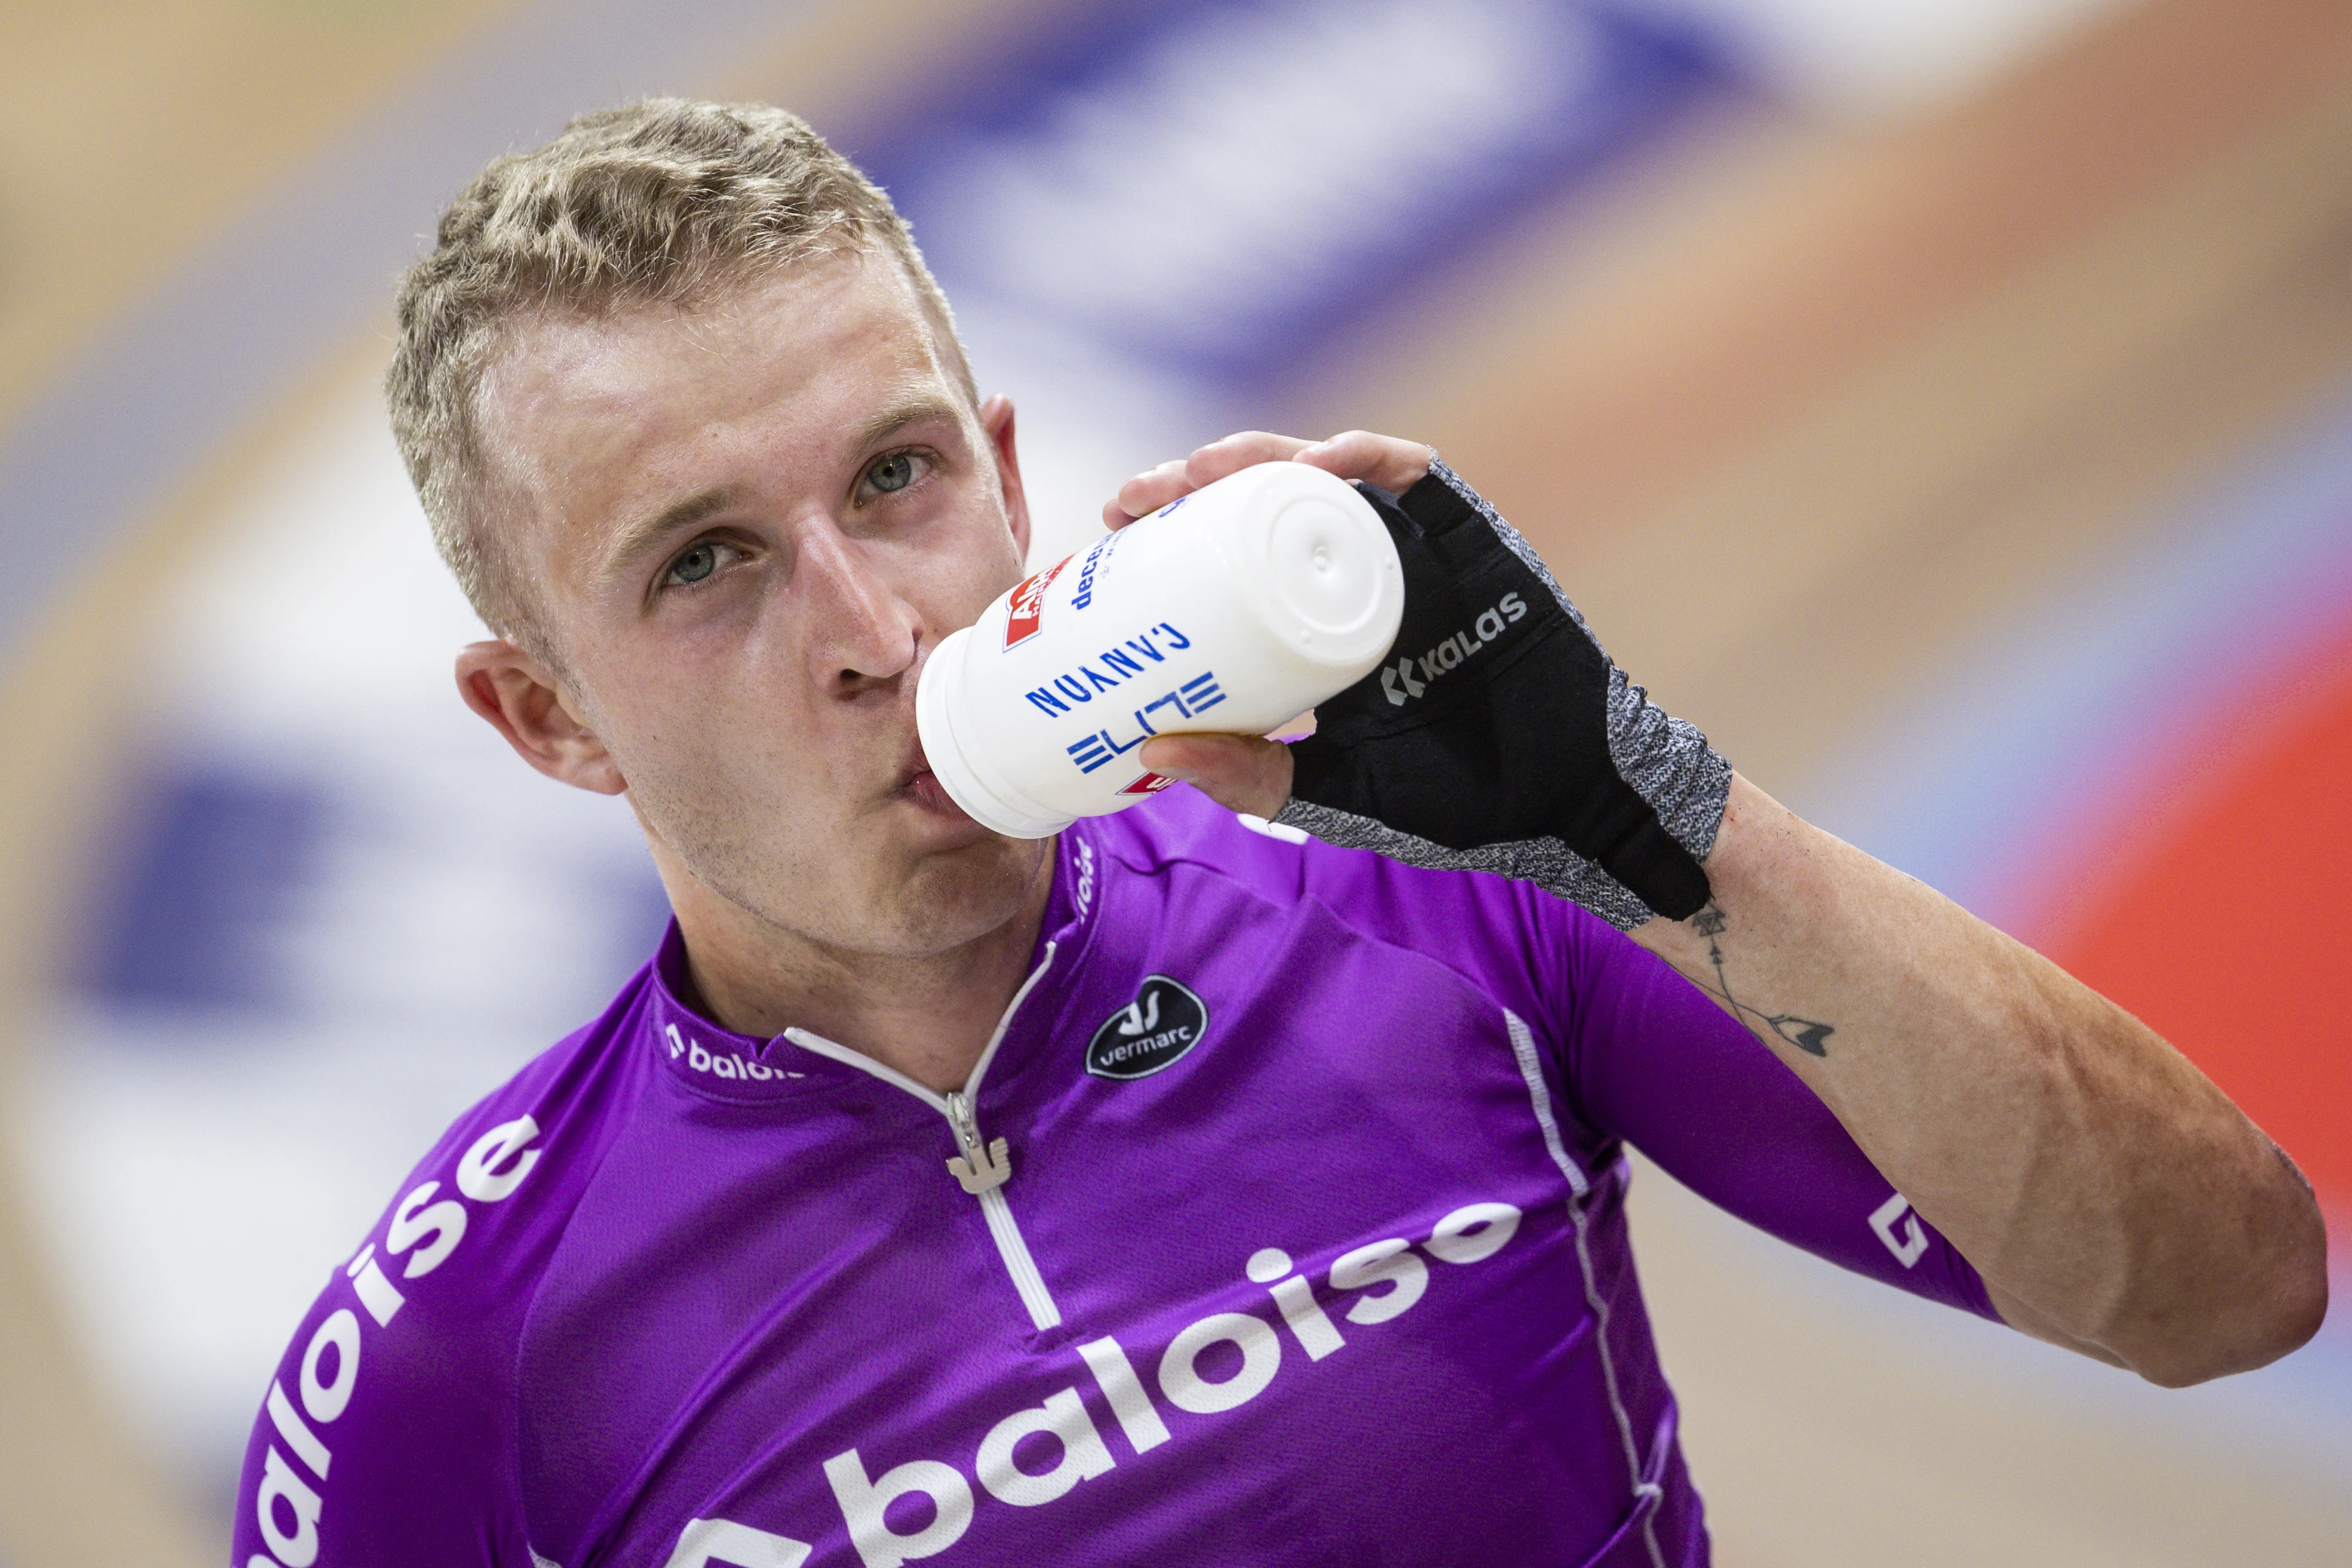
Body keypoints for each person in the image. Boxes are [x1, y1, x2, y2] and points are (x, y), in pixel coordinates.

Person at [231, 99, 2324, 1568]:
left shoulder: (1451, 908)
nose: (875, 629)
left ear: (1008, 471)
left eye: (895, 477)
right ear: (545, 718)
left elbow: (2222, 1292)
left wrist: (1651, 812)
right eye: (704, 565)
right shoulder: (452, 1362)